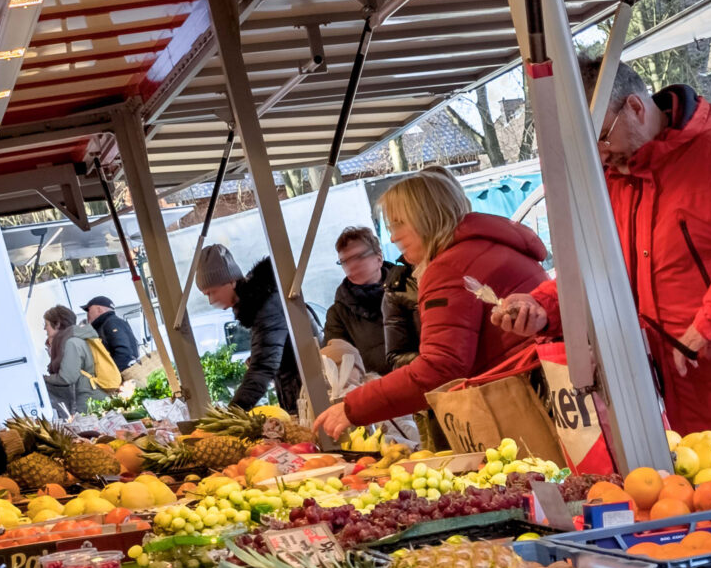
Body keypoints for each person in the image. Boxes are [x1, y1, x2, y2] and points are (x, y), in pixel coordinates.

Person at [512, 58, 711, 445]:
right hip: (693, 410)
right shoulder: (613, 182)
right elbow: (595, 271)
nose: (599, 155)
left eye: (601, 137)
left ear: (635, 107)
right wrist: (543, 307)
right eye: (583, 147)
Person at [313, 170, 554, 438]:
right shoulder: (492, 246)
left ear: (424, 219)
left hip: (523, 407)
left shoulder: (450, 267)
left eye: (398, 224)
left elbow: (442, 368)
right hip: (547, 390)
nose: (392, 237)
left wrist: (354, 407)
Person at [194, 246, 304, 412]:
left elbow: (263, 367)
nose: (211, 301)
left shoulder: (266, 305)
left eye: (212, 292)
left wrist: (233, 414)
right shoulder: (257, 305)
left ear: (231, 281)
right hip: (296, 391)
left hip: (308, 390)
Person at [321, 225, 419, 379]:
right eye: (345, 261)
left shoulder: (411, 286)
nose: (351, 266)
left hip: (426, 378)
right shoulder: (338, 315)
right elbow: (339, 367)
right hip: (381, 393)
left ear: (379, 258)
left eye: (358, 257)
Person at [40, 304, 112, 414]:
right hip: (93, 397)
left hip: (89, 401)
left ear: (58, 324)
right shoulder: (76, 339)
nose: (44, 328)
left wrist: (43, 379)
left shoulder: (71, 343)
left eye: (46, 324)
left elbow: (67, 378)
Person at [82, 295, 139, 373]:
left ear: (99, 309)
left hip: (121, 375)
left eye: (88, 310)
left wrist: (112, 374)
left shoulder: (111, 323)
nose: (87, 315)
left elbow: (123, 351)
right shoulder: (110, 322)